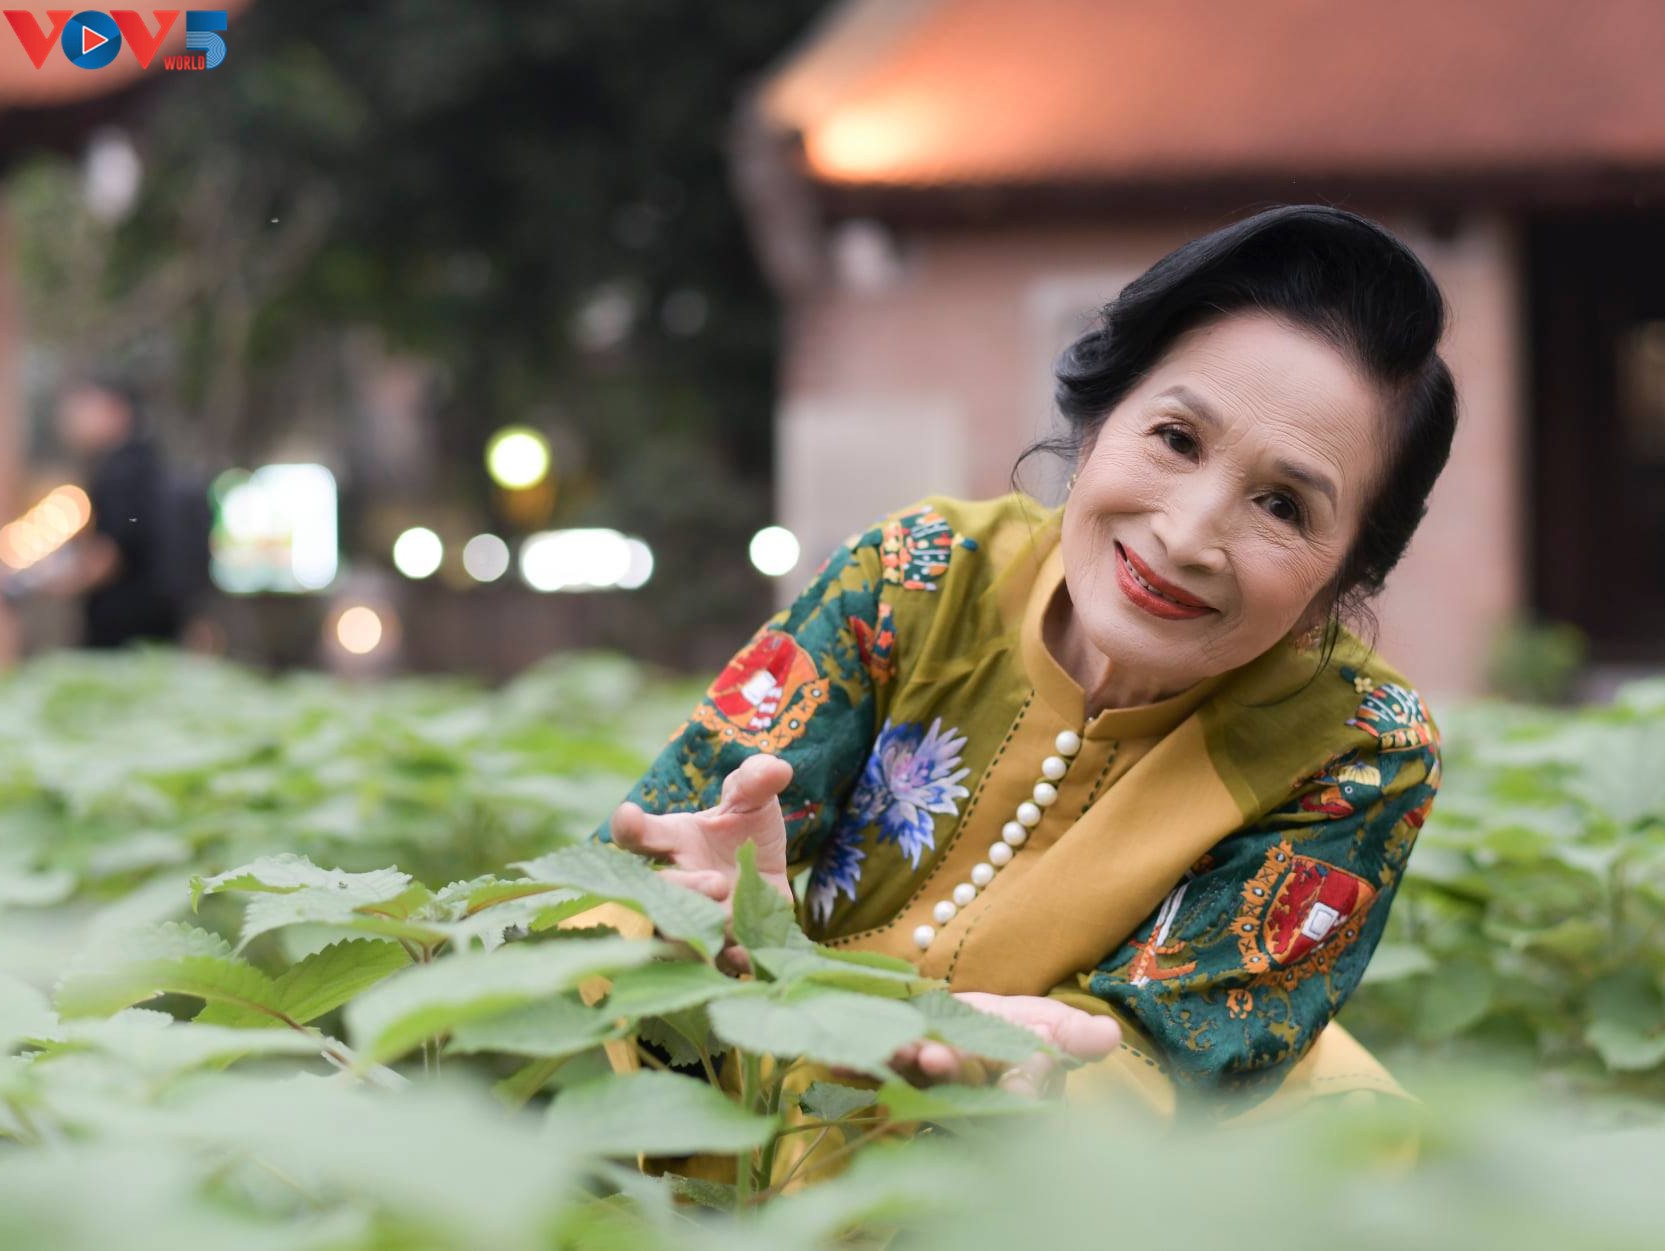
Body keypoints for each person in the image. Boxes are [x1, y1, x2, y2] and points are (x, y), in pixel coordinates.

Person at [588, 204, 1456, 1122]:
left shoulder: (1358, 747)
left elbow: (1176, 1062)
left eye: (1283, 506)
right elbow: (643, 857)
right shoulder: (916, 575)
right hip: (782, 1104)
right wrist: (724, 928)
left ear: (1343, 580)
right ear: (1098, 420)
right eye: (1176, 439)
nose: (1186, 535)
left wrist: (1050, 1073)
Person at [51, 374, 210, 649]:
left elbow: (110, 553)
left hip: (124, 624)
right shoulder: (150, 459)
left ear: (115, 409)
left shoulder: (119, 471)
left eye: (84, 406)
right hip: (164, 618)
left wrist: (51, 582)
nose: (71, 420)